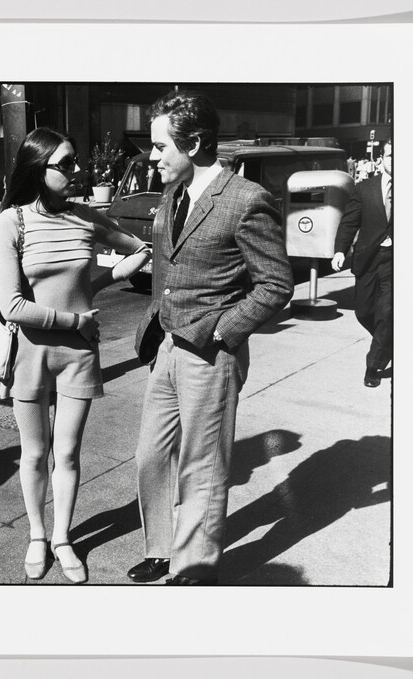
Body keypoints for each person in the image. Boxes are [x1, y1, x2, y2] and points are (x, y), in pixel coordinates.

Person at [128, 91, 293, 586]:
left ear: (195, 142)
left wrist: (224, 331)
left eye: (161, 148)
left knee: (202, 465)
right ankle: (161, 547)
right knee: (150, 455)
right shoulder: (172, 194)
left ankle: (194, 563)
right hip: (168, 346)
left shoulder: (244, 200)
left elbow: (275, 284)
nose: (153, 158)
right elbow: (169, 264)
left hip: (211, 353)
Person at [0, 127, 150, 583]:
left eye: (76, 161)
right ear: (38, 170)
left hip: (79, 354)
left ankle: (63, 538)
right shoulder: (12, 222)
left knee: (69, 454)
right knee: (35, 455)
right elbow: (12, 306)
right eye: (66, 164)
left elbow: (139, 249)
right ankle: (37, 536)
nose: (78, 170)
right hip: (32, 353)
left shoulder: (86, 217)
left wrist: (92, 288)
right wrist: (74, 319)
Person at [332, 139, 392, 388]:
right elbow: (349, 222)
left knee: (387, 312)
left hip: (398, 261)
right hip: (368, 258)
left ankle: (374, 365)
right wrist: (339, 251)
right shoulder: (364, 188)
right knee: (364, 312)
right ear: (382, 158)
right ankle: (389, 342)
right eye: (391, 156)